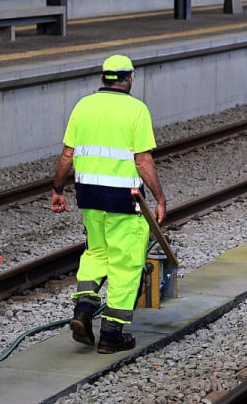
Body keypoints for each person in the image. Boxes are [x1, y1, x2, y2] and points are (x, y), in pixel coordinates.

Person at [49, 54, 169, 354]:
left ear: (103, 78)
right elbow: (142, 160)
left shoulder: (83, 106)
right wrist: (159, 197)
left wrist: (57, 189)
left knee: (96, 252)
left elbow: (67, 155)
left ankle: (84, 311)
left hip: (88, 196)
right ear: (130, 78)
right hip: (124, 200)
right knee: (125, 263)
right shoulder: (136, 110)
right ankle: (112, 334)